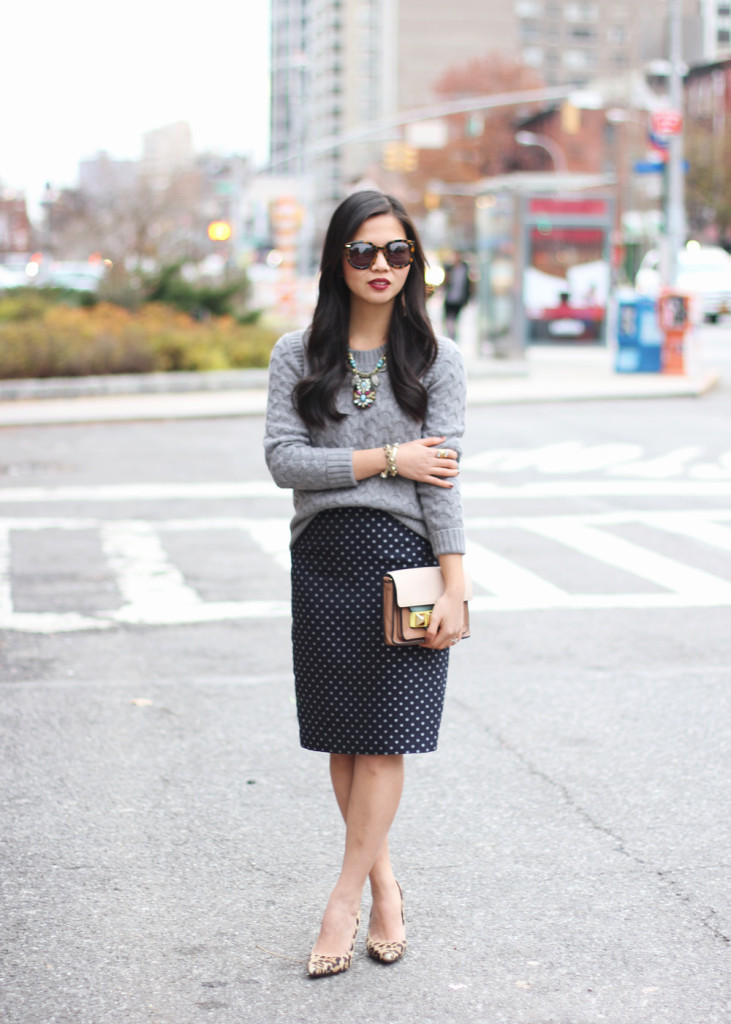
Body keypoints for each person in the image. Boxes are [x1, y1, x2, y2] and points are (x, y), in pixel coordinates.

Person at [264, 190, 467, 978]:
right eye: (362, 251)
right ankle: (386, 884)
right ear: (337, 259)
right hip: (323, 560)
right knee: (344, 744)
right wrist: (387, 458)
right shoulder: (298, 355)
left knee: (385, 743)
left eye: (396, 252)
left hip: (408, 562)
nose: (380, 266)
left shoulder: (438, 360)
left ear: (413, 261)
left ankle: (343, 902)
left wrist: (456, 584)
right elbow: (284, 462)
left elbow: (443, 480)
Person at [442, 251, 472, 339]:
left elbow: (468, 284)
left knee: (455, 318)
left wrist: (467, 298)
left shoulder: (465, 269)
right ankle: (450, 333)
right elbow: (445, 282)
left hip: (459, 298)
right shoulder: (449, 268)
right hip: (449, 297)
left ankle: (453, 335)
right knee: (447, 318)